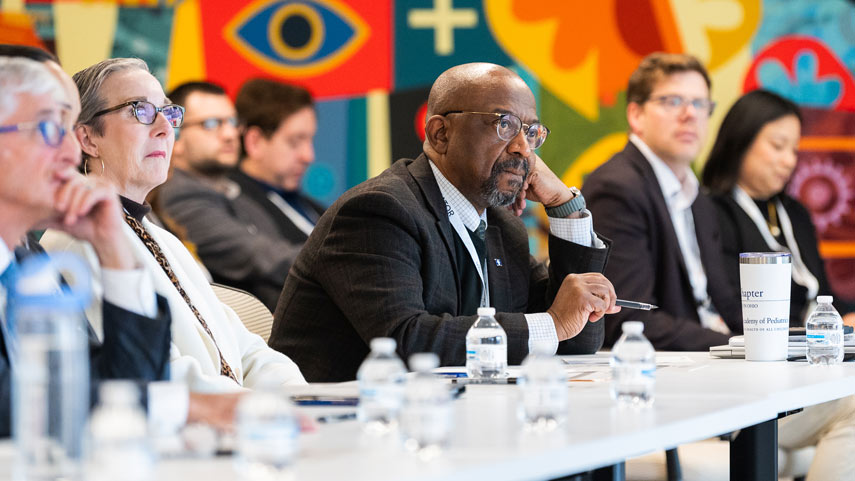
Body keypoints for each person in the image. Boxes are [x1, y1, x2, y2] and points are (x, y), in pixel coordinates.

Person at [269, 62, 619, 382]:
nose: (523, 149)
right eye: (504, 125)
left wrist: (565, 206)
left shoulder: (501, 226)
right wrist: (553, 324)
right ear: (440, 134)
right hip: (337, 420)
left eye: (531, 133)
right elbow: (409, 342)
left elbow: (575, 339)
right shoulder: (379, 211)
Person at [40, 58, 306, 394]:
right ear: (88, 138)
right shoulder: (76, 240)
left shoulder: (162, 238)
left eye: (168, 112)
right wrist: (256, 407)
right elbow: (156, 375)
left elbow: (247, 350)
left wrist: (301, 397)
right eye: (140, 110)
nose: (165, 128)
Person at [0, 55, 172, 436]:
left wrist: (112, 249)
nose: (70, 152)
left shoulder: (29, 262)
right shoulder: (53, 258)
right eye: (49, 127)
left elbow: (118, 386)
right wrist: (184, 407)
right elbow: (12, 406)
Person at [582, 52, 742, 350]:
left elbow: (725, 301)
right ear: (636, 115)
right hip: (660, 364)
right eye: (672, 101)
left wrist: (773, 341)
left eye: (700, 104)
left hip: (707, 353)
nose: (690, 114)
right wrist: (735, 345)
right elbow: (629, 318)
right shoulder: (617, 189)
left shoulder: (698, 197)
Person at [157, 79, 322, 311]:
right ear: (175, 136)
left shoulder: (233, 191)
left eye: (233, 122)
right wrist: (339, 259)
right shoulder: (179, 194)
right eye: (211, 124)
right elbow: (262, 257)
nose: (230, 134)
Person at [701, 89, 855, 326]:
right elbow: (733, 309)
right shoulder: (712, 212)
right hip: (762, 339)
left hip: (812, 339)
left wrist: (844, 319)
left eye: (794, 150)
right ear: (741, 141)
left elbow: (822, 291)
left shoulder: (795, 213)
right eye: (778, 146)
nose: (789, 161)